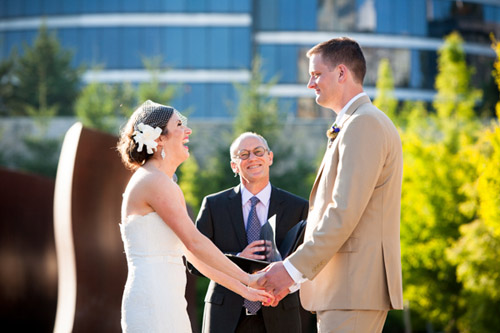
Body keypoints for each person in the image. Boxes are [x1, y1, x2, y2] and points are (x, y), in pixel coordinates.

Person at [257, 37, 404, 332]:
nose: (310, 84)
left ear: (341, 73)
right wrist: (297, 277)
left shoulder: (363, 124)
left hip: (354, 289)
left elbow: (342, 213)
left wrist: (290, 270)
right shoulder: (355, 123)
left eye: (315, 74)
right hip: (345, 289)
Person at [117, 101, 272, 333]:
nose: (188, 131)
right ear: (159, 138)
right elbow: (195, 242)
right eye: (179, 124)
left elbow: (191, 253)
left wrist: (245, 290)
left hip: (168, 298)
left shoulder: (163, 182)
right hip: (152, 298)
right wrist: (247, 278)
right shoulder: (153, 181)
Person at [191, 132, 309, 333]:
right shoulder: (213, 205)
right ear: (234, 166)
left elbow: (308, 260)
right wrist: (237, 260)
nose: (252, 158)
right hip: (225, 315)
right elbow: (192, 262)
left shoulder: (297, 207)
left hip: (279, 313)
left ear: (269, 157)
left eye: (258, 152)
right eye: (243, 154)